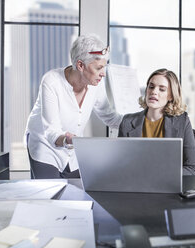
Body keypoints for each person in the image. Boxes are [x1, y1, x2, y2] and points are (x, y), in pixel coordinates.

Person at [25, 34, 122, 179]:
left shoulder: (96, 84)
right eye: (99, 68)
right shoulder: (51, 81)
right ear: (80, 65)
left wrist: (142, 119)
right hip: (45, 144)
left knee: (78, 190)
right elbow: (51, 131)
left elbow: (110, 116)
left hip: (73, 147)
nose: (103, 74)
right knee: (50, 193)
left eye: (104, 67)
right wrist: (67, 140)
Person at [118, 68, 195, 175]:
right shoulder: (127, 121)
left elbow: (192, 168)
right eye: (151, 87)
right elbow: (119, 164)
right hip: (135, 182)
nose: (154, 92)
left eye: (162, 89)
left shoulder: (182, 121)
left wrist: (160, 174)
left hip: (168, 185)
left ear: (170, 95)